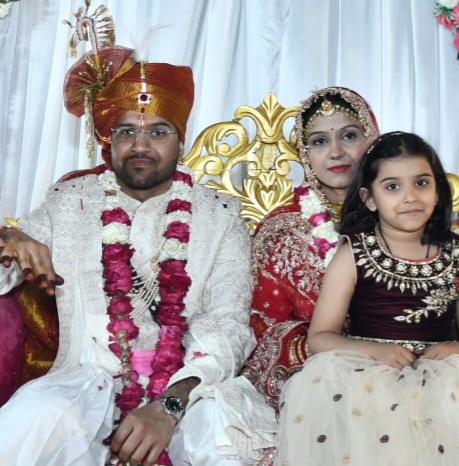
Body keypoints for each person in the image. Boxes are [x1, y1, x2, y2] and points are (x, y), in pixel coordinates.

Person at [0, 42, 276, 466]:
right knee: (30, 420)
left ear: (181, 140)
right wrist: (9, 240)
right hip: (87, 379)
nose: (140, 145)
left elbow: (226, 325)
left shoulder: (220, 217)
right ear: (109, 141)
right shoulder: (69, 202)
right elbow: (7, 273)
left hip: (191, 389)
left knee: (219, 438)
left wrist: (170, 405)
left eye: (158, 132)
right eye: (126, 131)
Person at [242, 86, 459, 414]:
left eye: (349, 136)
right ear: (303, 153)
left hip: (440, 374)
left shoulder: (430, 230)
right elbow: (268, 327)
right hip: (335, 380)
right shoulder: (283, 232)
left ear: (370, 137)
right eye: (319, 141)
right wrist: (364, 351)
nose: (336, 152)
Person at [276, 131, 459, 465]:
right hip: (367, 378)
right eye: (392, 187)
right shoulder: (353, 253)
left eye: (421, 183)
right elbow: (320, 337)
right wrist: (377, 352)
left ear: (437, 191)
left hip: (447, 376)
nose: (410, 197)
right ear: (369, 198)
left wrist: (454, 350)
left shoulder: (457, 253)